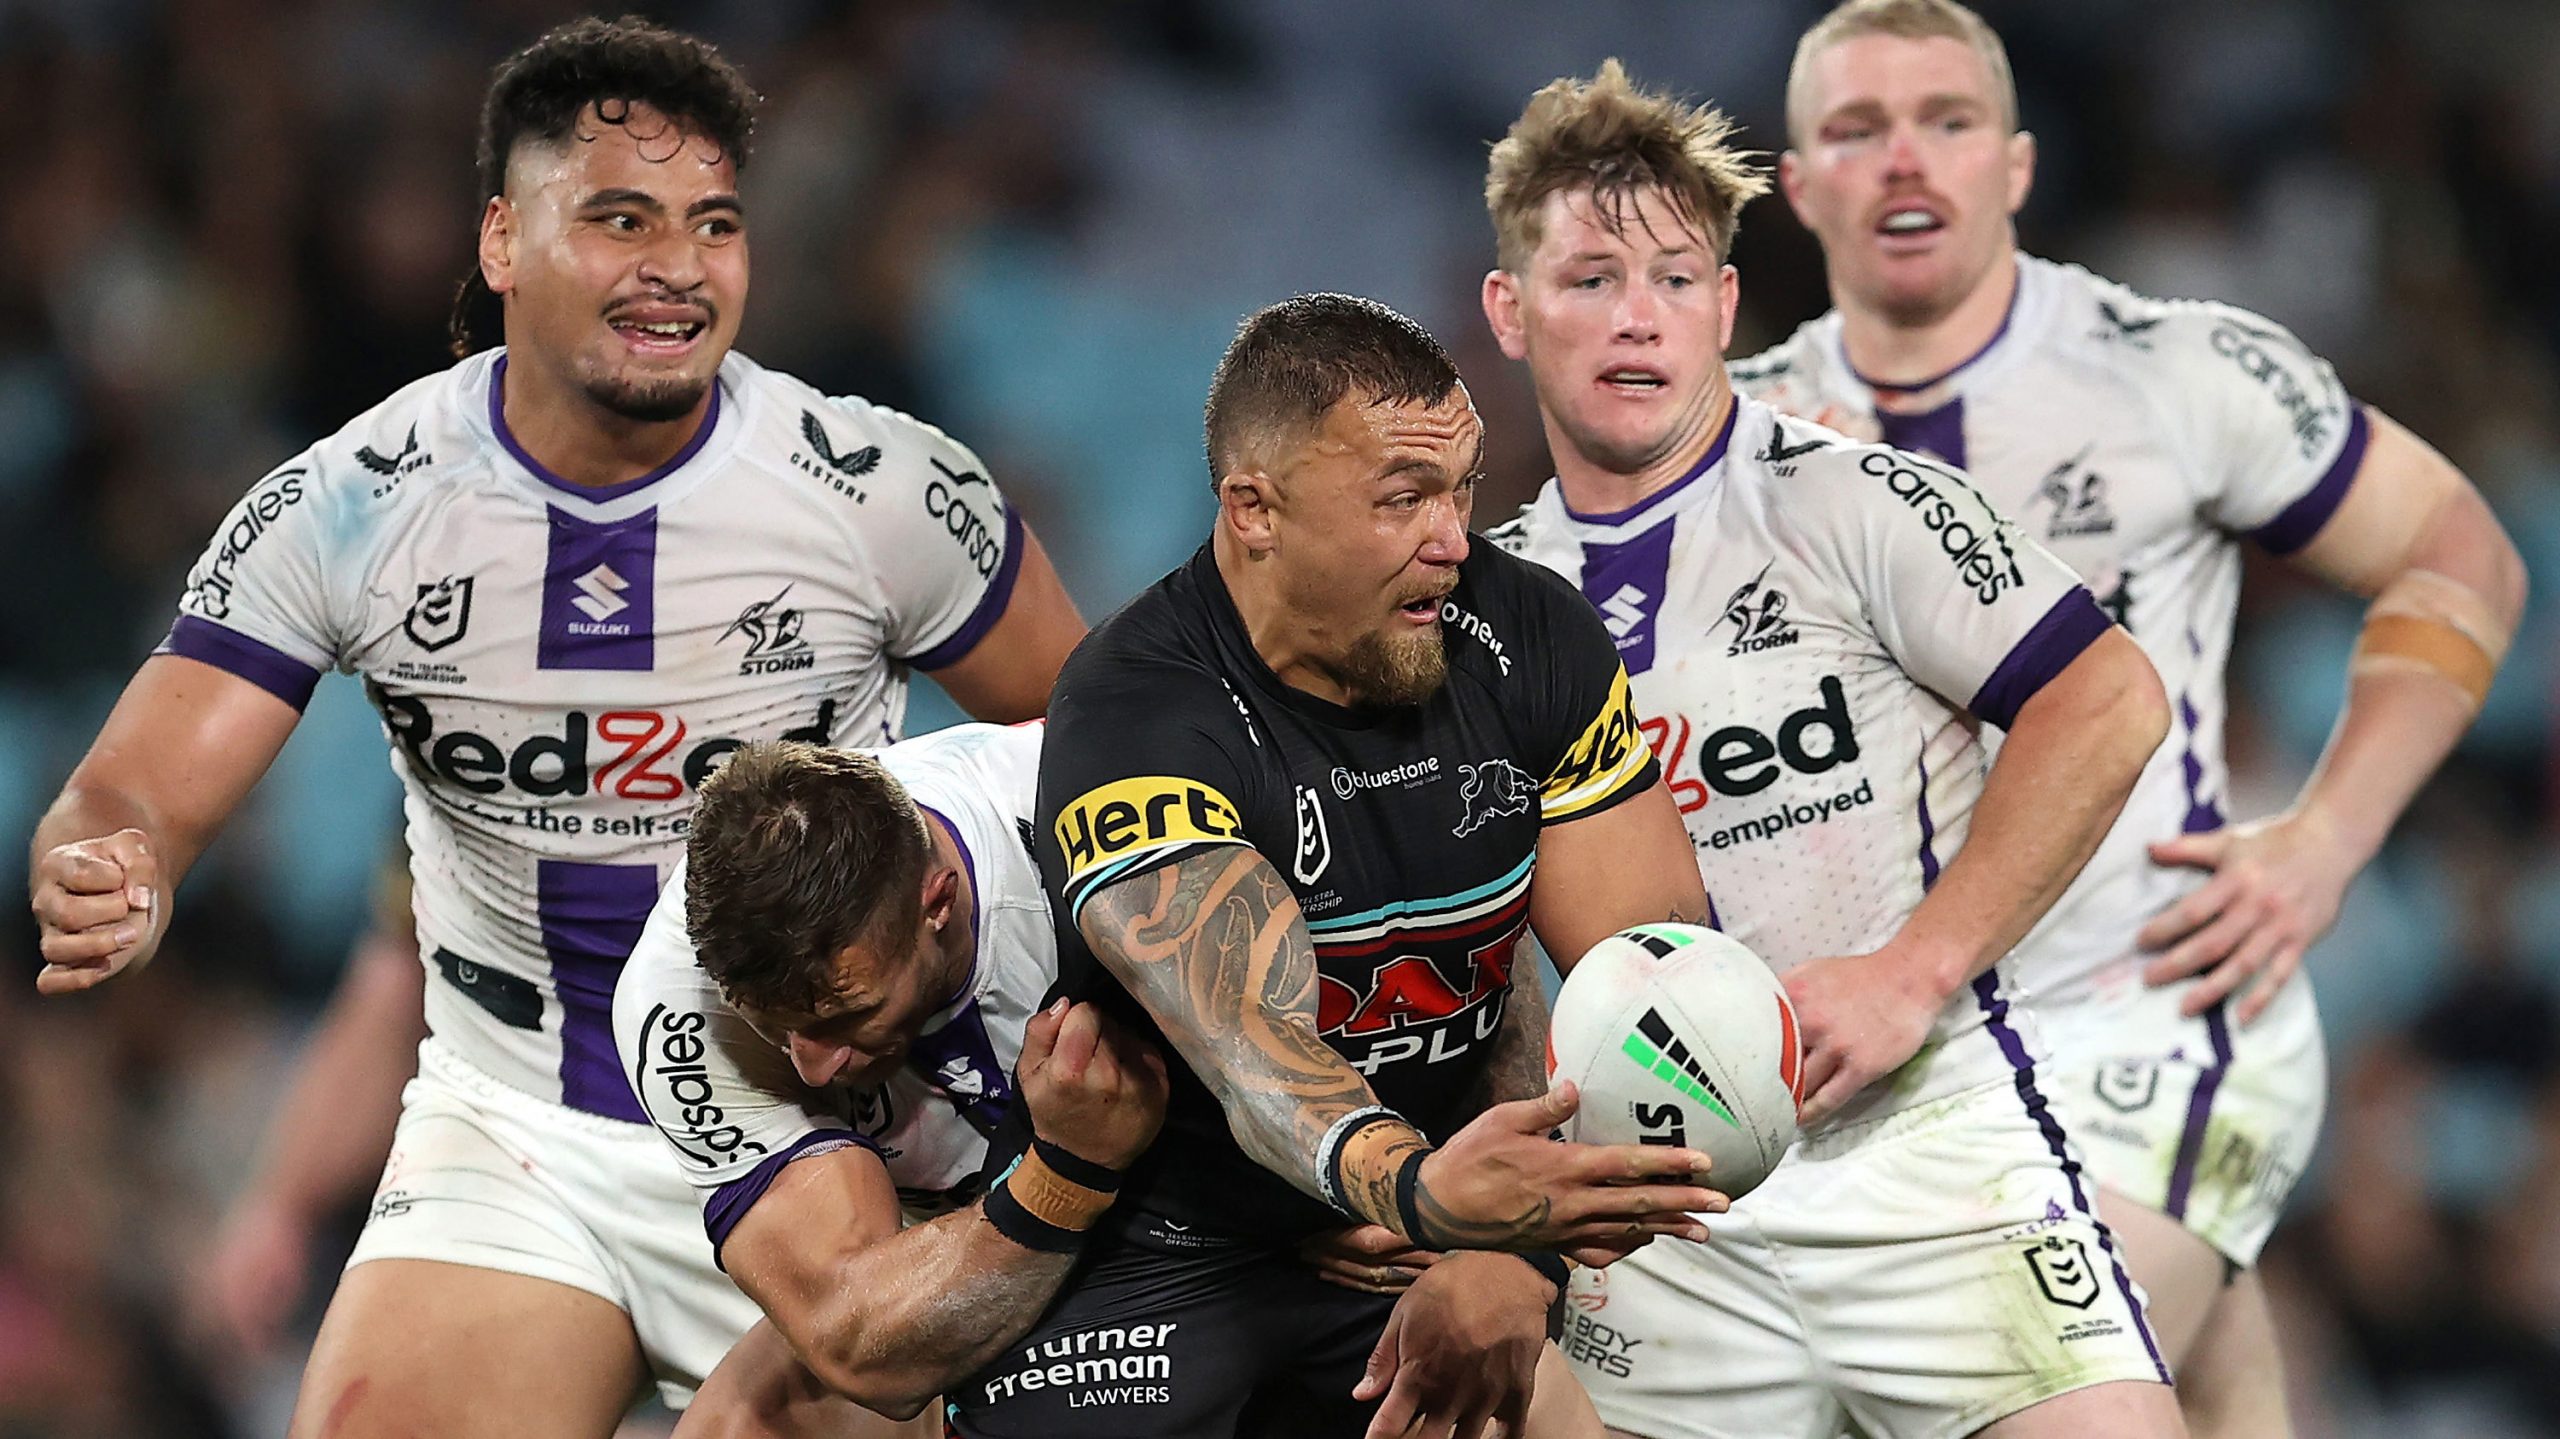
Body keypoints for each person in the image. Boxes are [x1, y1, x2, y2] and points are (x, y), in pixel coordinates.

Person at [26, 17, 1087, 1439]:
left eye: (713, 223)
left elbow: (1111, 769)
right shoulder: (352, 503)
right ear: (502, 242)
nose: (677, 265)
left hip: (820, 1131)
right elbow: (132, 784)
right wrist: (114, 862)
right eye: (619, 218)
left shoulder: (882, 491)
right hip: (515, 1126)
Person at [1731, 3, 2528, 1435]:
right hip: (1905, 1065)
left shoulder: (2171, 368)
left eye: (1948, 122)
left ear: (2019, 166)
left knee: (1993, 1372)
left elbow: (2456, 552)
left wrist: (2329, 836)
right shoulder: (1737, 435)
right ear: (1800, 184)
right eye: (1857, 128)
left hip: (2152, 1012)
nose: (1905, 160)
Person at [1482, 61, 2184, 1438]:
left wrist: (1914, 968)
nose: (1639, 320)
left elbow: (2108, 700)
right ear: (1508, 311)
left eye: (1678, 279)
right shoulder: (1478, 605)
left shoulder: (1856, 499)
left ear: (1730, 307)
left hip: (1930, 1157)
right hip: (1645, 1217)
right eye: (1589, 280)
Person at [977, 292, 1730, 1439]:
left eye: (1462, 487)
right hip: (1170, 1244)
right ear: (1254, 507)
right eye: (1402, 497)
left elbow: (1663, 996)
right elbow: (1253, 1048)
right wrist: (1432, 1193)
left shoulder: (1528, 637)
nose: (1452, 538)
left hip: (1426, 1221)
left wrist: (1512, 1250)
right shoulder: (1134, 714)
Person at [612, 726, 1165, 1437]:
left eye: (850, 1014)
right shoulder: (679, 1001)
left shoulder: (1095, 818)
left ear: (938, 904)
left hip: (1202, 1202)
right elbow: (865, 1348)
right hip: (1001, 1223)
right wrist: (1064, 1173)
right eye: (775, 1025)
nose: (812, 1067)